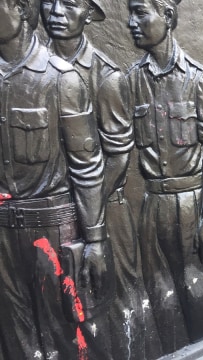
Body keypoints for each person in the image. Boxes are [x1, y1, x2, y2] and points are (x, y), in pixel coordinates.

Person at [40, 0, 161, 357]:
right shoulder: (35, 69)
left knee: (120, 304)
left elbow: (119, 155)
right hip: (50, 218)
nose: (57, 12)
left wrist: (87, 214)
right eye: (50, 2)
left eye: (71, 4)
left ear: (90, 14)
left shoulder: (106, 75)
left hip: (107, 210)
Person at [0, 0, 111, 358]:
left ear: (20, 9)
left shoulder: (61, 78)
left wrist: (95, 240)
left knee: (69, 338)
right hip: (3, 239)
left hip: (52, 235)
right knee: (16, 342)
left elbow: (87, 165)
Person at [127, 0, 203, 352]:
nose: (130, 23)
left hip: (191, 202)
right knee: (159, 298)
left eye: (140, 12)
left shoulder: (198, 79)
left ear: (167, 16)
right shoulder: (131, 80)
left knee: (198, 294)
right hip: (152, 205)